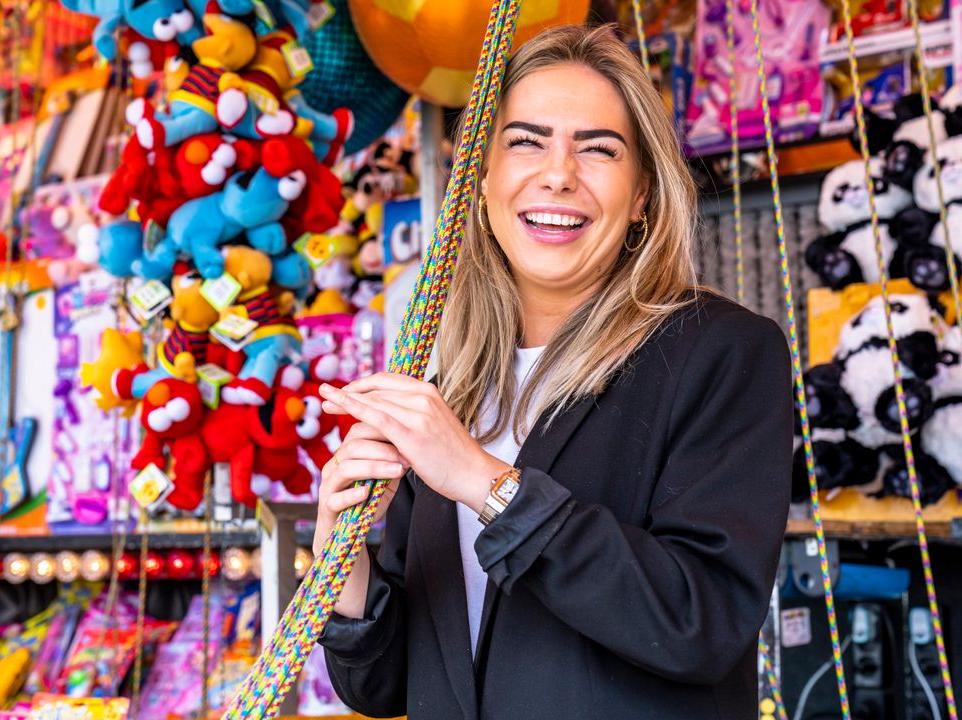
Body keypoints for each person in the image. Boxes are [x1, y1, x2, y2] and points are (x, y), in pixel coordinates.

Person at [314, 24, 792, 719]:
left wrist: (484, 483)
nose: (558, 173)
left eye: (598, 149)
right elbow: (383, 685)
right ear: (482, 180)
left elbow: (701, 622)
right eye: (526, 141)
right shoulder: (450, 387)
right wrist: (343, 555)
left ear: (643, 197)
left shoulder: (719, 353)